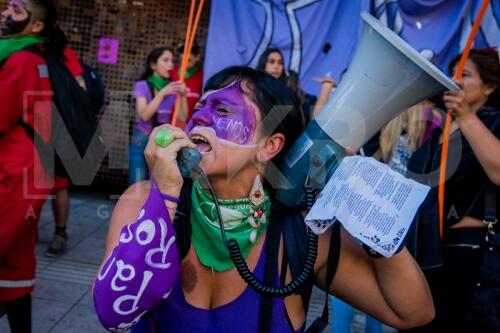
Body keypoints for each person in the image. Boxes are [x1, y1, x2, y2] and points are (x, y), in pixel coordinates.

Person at [93, 66, 434, 333]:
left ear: (269, 146)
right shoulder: (144, 201)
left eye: (223, 110)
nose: (200, 117)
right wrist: (165, 194)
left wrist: (370, 218)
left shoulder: (299, 231)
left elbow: (412, 313)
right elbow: (112, 312)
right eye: (200, 107)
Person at [405, 48, 500, 333]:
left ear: (490, 86)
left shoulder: (494, 122)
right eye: (452, 74)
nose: (454, 81)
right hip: (432, 252)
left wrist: (466, 116)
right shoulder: (438, 133)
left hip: (474, 252)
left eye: (465, 75)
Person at [0, 0, 63, 331]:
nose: (6, 14)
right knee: (14, 264)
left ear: (37, 25)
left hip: (14, 173)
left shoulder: (21, 59)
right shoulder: (36, 58)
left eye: (16, 9)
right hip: (32, 173)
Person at [129, 47, 187, 185]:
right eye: (166, 60)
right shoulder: (141, 85)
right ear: (153, 65)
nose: (171, 65)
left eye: (172, 61)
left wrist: (183, 95)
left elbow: (183, 118)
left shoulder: (172, 88)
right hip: (141, 138)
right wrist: (162, 94)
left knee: (157, 184)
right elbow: (144, 115)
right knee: (137, 183)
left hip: (162, 140)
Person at [173, 41, 204, 128]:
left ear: (197, 57)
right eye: (182, 59)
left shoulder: (202, 75)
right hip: (172, 123)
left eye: (189, 60)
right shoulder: (172, 72)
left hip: (192, 125)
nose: (185, 63)